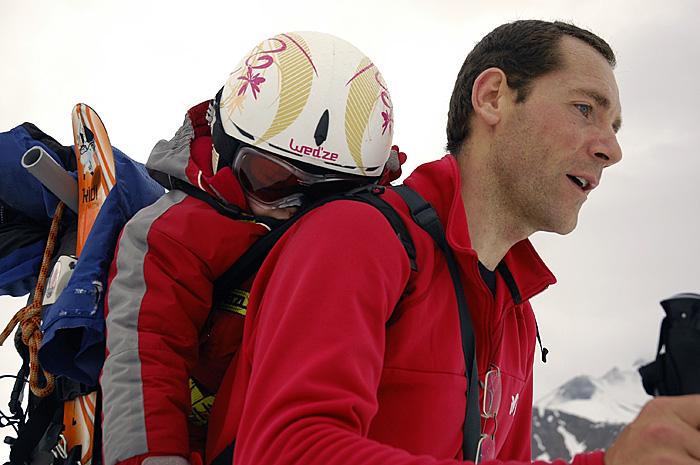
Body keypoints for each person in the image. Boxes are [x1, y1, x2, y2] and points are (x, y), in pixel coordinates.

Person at [204, 19, 700, 465]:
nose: (610, 148)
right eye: (584, 108)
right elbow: (289, 452)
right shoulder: (357, 237)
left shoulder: (517, 314)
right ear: (492, 98)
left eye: (613, 128)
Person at [101, 31, 403, 465]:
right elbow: (146, 355)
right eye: (270, 177)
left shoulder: (367, 247)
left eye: (330, 195)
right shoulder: (176, 234)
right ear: (226, 150)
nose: (292, 208)